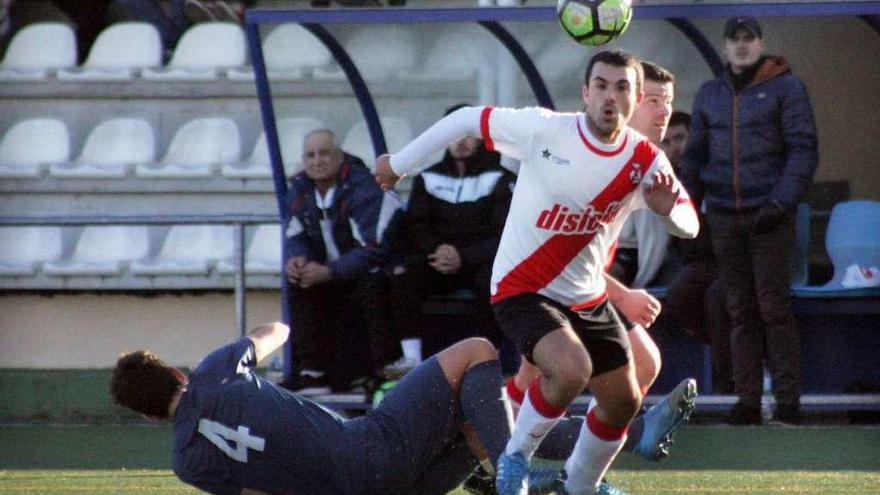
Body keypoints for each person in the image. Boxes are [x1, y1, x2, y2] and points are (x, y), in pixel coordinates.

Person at [375, 49, 699, 495]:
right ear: (585, 92)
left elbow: (690, 223)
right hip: (521, 286)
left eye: (622, 87)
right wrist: (398, 164)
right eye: (601, 85)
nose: (610, 96)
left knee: (622, 398)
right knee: (569, 370)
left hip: (586, 296)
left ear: (635, 97)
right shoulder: (545, 130)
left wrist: (667, 214)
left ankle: (579, 486)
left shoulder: (645, 160)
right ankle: (514, 461)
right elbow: (467, 118)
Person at [109, 322, 518, 495]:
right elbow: (278, 330)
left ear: (149, 417)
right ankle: (513, 471)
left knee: (482, 422)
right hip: (374, 449)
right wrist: (246, 347)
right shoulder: (216, 371)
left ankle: (556, 452)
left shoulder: (186, 463)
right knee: (476, 352)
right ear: (178, 374)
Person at [681, 17, 818, 425]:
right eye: (734, 40)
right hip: (724, 215)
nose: (741, 46)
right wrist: (688, 210)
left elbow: (803, 149)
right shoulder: (709, 94)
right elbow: (695, 158)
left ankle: (788, 403)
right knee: (739, 309)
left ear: (761, 44)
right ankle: (747, 401)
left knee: (774, 308)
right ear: (724, 48)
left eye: (748, 39)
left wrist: (780, 203)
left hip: (770, 216)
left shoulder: (787, 88)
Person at [385, 103, 515, 377]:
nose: (461, 142)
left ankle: (488, 358)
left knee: (492, 282)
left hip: (480, 261)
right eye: (454, 135)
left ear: (482, 138)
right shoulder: (428, 178)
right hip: (440, 260)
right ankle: (410, 358)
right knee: (404, 275)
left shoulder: (503, 179)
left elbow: (505, 233)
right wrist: (438, 250)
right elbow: (416, 225)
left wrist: (463, 256)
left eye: (467, 134)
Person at [280, 129, 403, 395]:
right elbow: (294, 234)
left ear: (339, 156)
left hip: (373, 272)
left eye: (324, 153)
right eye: (310, 155)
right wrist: (297, 259)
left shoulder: (365, 187)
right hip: (332, 273)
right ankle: (312, 372)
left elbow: (374, 247)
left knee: (372, 280)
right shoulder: (301, 190)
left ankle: (381, 371)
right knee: (299, 280)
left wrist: (330, 271)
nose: (317, 161)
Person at [661, 112, 735, 395]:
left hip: (734, 257)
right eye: (666, 143)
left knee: (719, 300)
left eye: (680, 138)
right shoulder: (666, 181)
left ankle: (728, 385)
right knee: (679, 296)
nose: (675, 147)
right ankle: (729, 352)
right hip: (700, 261)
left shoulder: (715, 170)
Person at [608, 62, 677, 289]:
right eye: (654, 101)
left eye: (668, 102)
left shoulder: (659, 162)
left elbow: (689, 227)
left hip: (628, 261)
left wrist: (669, 213)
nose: (665, 111)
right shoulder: (583, 149)